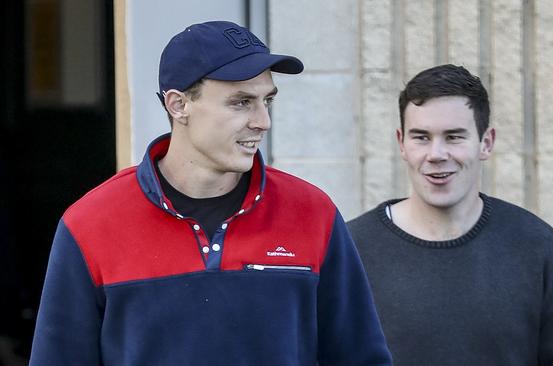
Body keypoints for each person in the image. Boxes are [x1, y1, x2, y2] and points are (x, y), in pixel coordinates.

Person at [30, 21, 391, 366]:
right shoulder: (90, 224)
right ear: (178, 105)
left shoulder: (314, 213)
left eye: (267, 101)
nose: (262, 121)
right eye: (241, 102)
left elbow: (360, 357)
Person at [347, 64, 553, 366]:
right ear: (401, 142)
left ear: (486, 142)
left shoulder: (536, 247)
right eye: (421, 137)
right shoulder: (351, 249)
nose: (436, 154)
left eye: (454, 137)